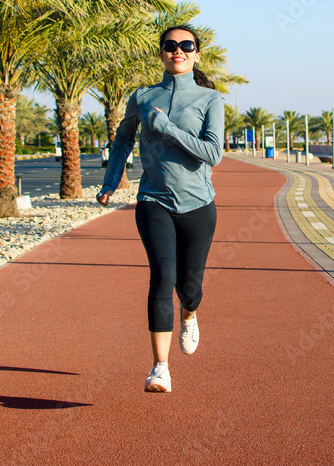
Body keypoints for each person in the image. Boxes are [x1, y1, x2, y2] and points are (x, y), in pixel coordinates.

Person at [97, 24, 224, 393]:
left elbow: (212, 154)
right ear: (161, 53)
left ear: (196, 53)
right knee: (162, 277)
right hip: (153, 201)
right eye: (170, 45)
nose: (178, 50)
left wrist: (166, 127)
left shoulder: (209, 100)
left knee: (189, 287)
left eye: (186, 45)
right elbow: (121, 141)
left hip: (199, 206)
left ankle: (191, 313)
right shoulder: (141, 97)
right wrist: (110, 182)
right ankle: (160, 367)